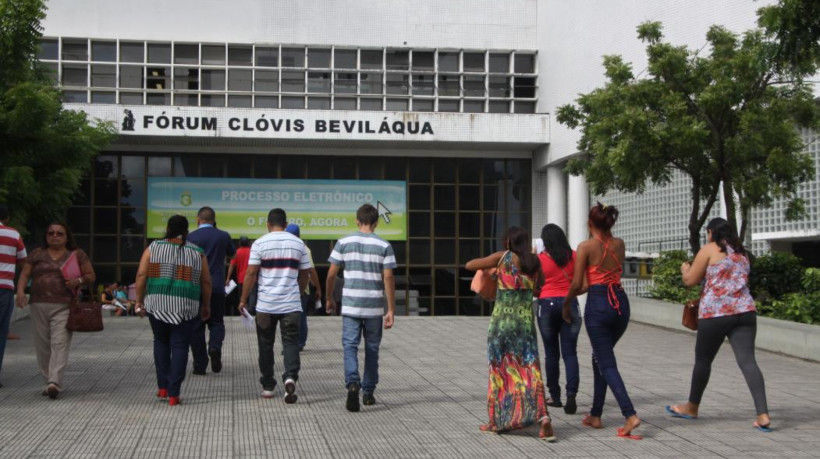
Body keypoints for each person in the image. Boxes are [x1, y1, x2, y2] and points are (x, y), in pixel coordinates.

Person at [666, 217, 772, 432]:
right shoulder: (742, 253)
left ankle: (692, 407)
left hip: (716, 313)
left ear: (712, 232)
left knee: (703, 360)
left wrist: (685, 269)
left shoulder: (709, 249)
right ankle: (762, 415)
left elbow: (690, 281)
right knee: (748, 361)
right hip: (745, 311)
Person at [465, 226, 555, 441]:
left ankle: (498, 421)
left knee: (500, 371)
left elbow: (469, 265)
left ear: (508, 242)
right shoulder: (534, 262)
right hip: (525, 325)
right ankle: (543, 418)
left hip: (501, 326)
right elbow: (540, 288)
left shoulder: (503, 257)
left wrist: (493, 268)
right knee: (531, 370)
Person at [564, 203, 641, 439]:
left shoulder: (586, 247)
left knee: (606, 362)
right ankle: (596, 415)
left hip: (599, 305)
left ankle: (630, 414)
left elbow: (579, 284)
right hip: (620, 304)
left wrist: (566, 303)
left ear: (590, 223)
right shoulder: (620, 244)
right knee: (600, 357)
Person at [326, 204, 396, 413]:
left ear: (357, 220)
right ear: (376, 222)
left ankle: (352, 383)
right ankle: (368, 393)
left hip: (351, 305)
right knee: (372, 349)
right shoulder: (384, 245)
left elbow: (331, 274)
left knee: (350, 346)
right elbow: (389, 277)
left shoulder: (343, 242)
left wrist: (329, 298)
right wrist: (390, 309)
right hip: (374, 307)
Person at [135, 215, 211, 406]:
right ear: (187, 231)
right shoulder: (198, 252)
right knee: (180, 346)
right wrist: (206, 305)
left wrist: (138, 301)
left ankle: (162, 387)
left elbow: (142, 274)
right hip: (186, 306)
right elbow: (206, 281)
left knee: (161, 341)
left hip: (157, 303)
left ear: (168, 228)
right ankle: (174, 394)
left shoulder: (153, 247)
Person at [16, 222, 95, 399]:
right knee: (42, 346)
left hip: (64, 305)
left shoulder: (76, 254)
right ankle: (48, 381)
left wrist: (78, 281)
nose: (55, 236)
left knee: (59, 343)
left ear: (67, 237)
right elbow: (25, 274)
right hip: (38, 304)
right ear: (46, 236)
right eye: (51, 233)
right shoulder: (37, 254)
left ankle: (55, 382)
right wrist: (20, 291)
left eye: (59, 233)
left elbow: (91, 275)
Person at [238, 209, 310, 402]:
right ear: (285, 224)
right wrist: (299, 291)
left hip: (266, 305)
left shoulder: (260, 243)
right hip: (291, 304)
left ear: (268, 224)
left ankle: (268, 386)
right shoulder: (298, 244)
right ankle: (290, 377)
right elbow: (305, 274)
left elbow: (251, 273)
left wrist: (243, 299)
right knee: (291, 342)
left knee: (265, 345)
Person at [537, 223, 581, 415]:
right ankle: (572, 394)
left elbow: (536, 285)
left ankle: (555, 396)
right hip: (570, 304)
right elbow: (580, 282)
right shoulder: (575, 256)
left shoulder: (539, 260)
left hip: (546, 305)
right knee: (570, 353)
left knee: (551, 353)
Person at [187, 206, 235, 375]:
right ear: (214, 220)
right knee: (216, 322)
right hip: (216, 286)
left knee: (196, 326)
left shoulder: (190, 237)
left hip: (195, 287)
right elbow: (232, 254)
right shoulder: (223, 236)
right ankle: (214, 347)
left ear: (197, 219)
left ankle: (200, 365)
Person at [0, 204, 27, 388]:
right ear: (7, 218)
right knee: (1, 332)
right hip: (4, 288)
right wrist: (21, 289)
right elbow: (24, 262)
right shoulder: (13, 234)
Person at [285, 224, 321, 351]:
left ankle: (297, 343)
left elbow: (310, 270)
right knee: (297, 317)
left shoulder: (301, 249)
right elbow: (311, 271)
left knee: (296, 318)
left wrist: (318, 288)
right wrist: (318, 288)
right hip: (296, 289)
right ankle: (296, 343)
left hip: (294, 289)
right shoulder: (304, 248)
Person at [226, 236, 252, 313]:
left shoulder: (237, 252)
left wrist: (228, 278)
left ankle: (243, 311)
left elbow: (231, 266)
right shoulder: (252, 252)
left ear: (239, 243)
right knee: (252, 295)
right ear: (248, 243)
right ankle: (251, 311)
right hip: (252, 278)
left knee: (242, 296)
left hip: (241, 279)